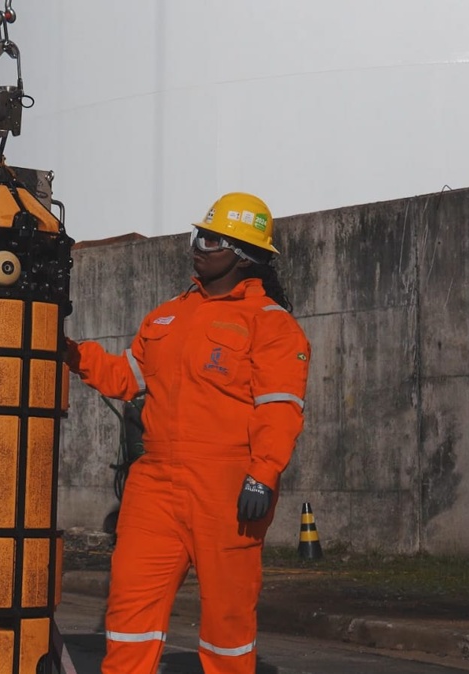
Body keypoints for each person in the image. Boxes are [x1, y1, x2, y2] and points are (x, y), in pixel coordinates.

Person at [65, 192, 311, 674]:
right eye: (198, 235)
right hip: (153, 483)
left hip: (227, 487)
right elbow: (125, 378)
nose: (199, 246)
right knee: (129, 605)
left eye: (212, 239)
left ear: (244, 256)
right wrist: (71, 352)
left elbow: (279, 409)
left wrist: (262, 474)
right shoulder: (166, 316)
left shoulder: (272, 325)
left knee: (227, 617)